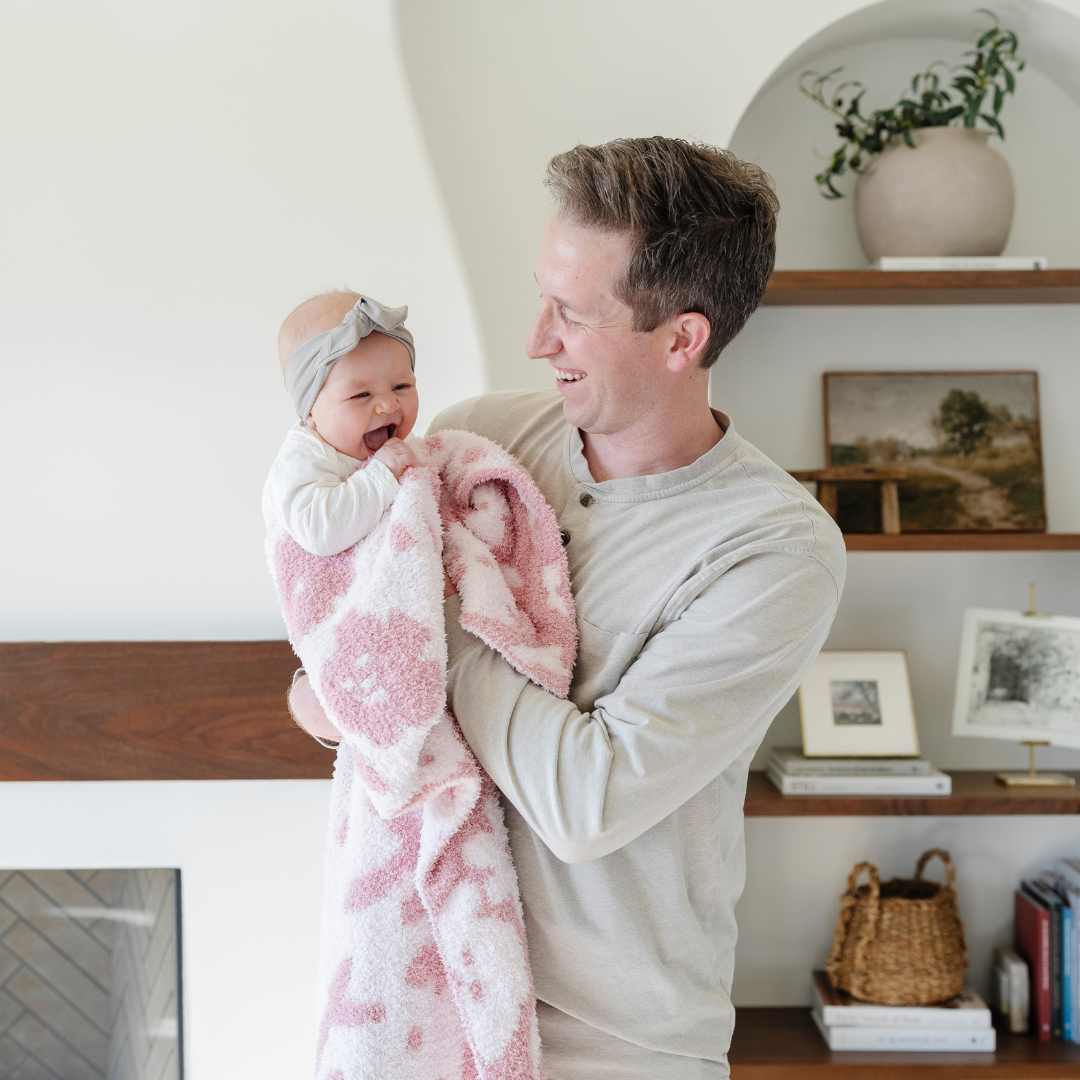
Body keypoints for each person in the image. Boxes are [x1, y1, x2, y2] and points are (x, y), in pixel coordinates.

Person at [293, 137, 846, 1078]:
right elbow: (333, 655)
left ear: (682, 338)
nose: (535, 339)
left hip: (613, 1045)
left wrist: (425, 640)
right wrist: (336, 697)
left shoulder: (773, 550)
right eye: (542, 296)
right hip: (428, 997)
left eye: (573, 314)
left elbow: (585, 798)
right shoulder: (483, 440)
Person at [264, 292, 419, 558]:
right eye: (361, 395)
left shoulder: (399, 443)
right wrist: (381, 474)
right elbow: (319, 533)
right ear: (311, 411)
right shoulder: (301, 461)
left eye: (400, 386)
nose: (389, 405)